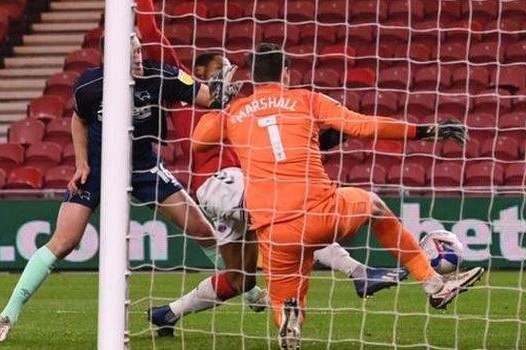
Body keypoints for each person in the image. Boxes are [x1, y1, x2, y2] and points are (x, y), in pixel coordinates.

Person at [192, 43, 485, 349]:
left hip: (275, 230)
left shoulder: (236, 112)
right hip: (322, 212)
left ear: (253, 76)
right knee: (375, 207)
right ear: (286, 73)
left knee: (283, 298)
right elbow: (361, 125)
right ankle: (434, 284)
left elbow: (198, 143)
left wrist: (218, 104)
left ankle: (287, 321)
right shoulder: (306, 99)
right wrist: (424, 131)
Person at [0, 33, 239, 343]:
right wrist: (81, 163)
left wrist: (221, 83)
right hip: (99, 168)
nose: (138, 58)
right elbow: (79, 120)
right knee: (64, 242)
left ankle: (247, 290)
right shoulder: (90, 86)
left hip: (143, 166)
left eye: (139, 51)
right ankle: (8, 314)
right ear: (110, 58)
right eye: (130, 53)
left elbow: (208, 98)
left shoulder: (161, 74)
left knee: (202, 230)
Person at [147, 52, 408, 336]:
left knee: (240, 279)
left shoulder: (239, 104)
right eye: (220, 68)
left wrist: (323, 138)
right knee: (291, 213)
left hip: (238, 187)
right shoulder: (189, 96)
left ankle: (168, 313)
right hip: (222, 181)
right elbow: (156, 41)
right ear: (198, 70)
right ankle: (359, 272)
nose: (228, 74)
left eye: (230, 68)